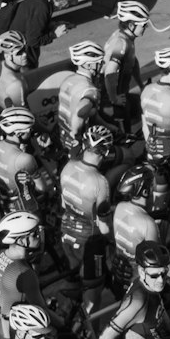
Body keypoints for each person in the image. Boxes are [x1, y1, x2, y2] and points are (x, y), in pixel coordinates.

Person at [59, 120, 115, 318]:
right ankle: (91, 338)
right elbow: (104, 225)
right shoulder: (100, 183)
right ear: (106, 152)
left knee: (74, 283)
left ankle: (67, 318)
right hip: (89, 242)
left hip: (66, 232)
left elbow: (64, 204)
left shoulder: (67, 167)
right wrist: (114, 243)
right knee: (93, 296)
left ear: (84, 146)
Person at [0, 210, 46, 339]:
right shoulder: (24, 273)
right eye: (35, 234)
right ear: (22, 240)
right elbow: (42, 310)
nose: (39, 236)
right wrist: (61, 322)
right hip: (15, 334)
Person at [102, 0, 152, 134]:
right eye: (143, 24)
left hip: (120, 91)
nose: (146, 27)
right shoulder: (121, 43)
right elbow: (109, 72)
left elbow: (132, 61)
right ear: (131, 25)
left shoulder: (127, 38)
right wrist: (114, 99)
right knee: (124, 135)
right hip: (112, 95)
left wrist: (141, 85)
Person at [9, 0, 79, 70]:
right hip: (23, 56)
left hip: (14, 48)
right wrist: (54, 34)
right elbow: (33, 41)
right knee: (28, 79)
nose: (65, 7)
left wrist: (52, 24)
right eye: (68, 5)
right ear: (64, 2)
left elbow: (33, 22)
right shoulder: (42, 7)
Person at [57, 40, 105, 158]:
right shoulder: (90, 90)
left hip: (63, 136)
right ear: (88, 65)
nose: (103, 65)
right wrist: (76, 133)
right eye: (99, 62)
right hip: (79, 143)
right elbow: (81, 111)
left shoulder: (68, 80)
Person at [0, 30, 30, 112]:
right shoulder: (16, 84)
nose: (25, 54)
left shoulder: (0, 66)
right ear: (8, 56)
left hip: (0, 115)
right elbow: (25, 115)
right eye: (19, 52)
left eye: (25, 49)